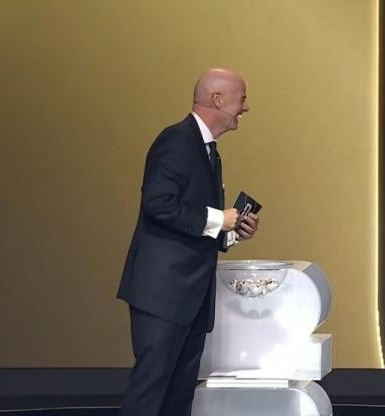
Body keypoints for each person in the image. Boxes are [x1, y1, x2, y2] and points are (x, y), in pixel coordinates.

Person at [117, 68, 260, 416]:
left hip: (188, 295)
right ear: (217, 99)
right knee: (151, 391)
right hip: (163, 294)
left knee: (179, 394)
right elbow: (158, 204)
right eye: (241, 99)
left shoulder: (208, 150)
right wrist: (220, 219)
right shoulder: (176, 141)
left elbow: (190, 218)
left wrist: (232, 231)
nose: (245, 108)